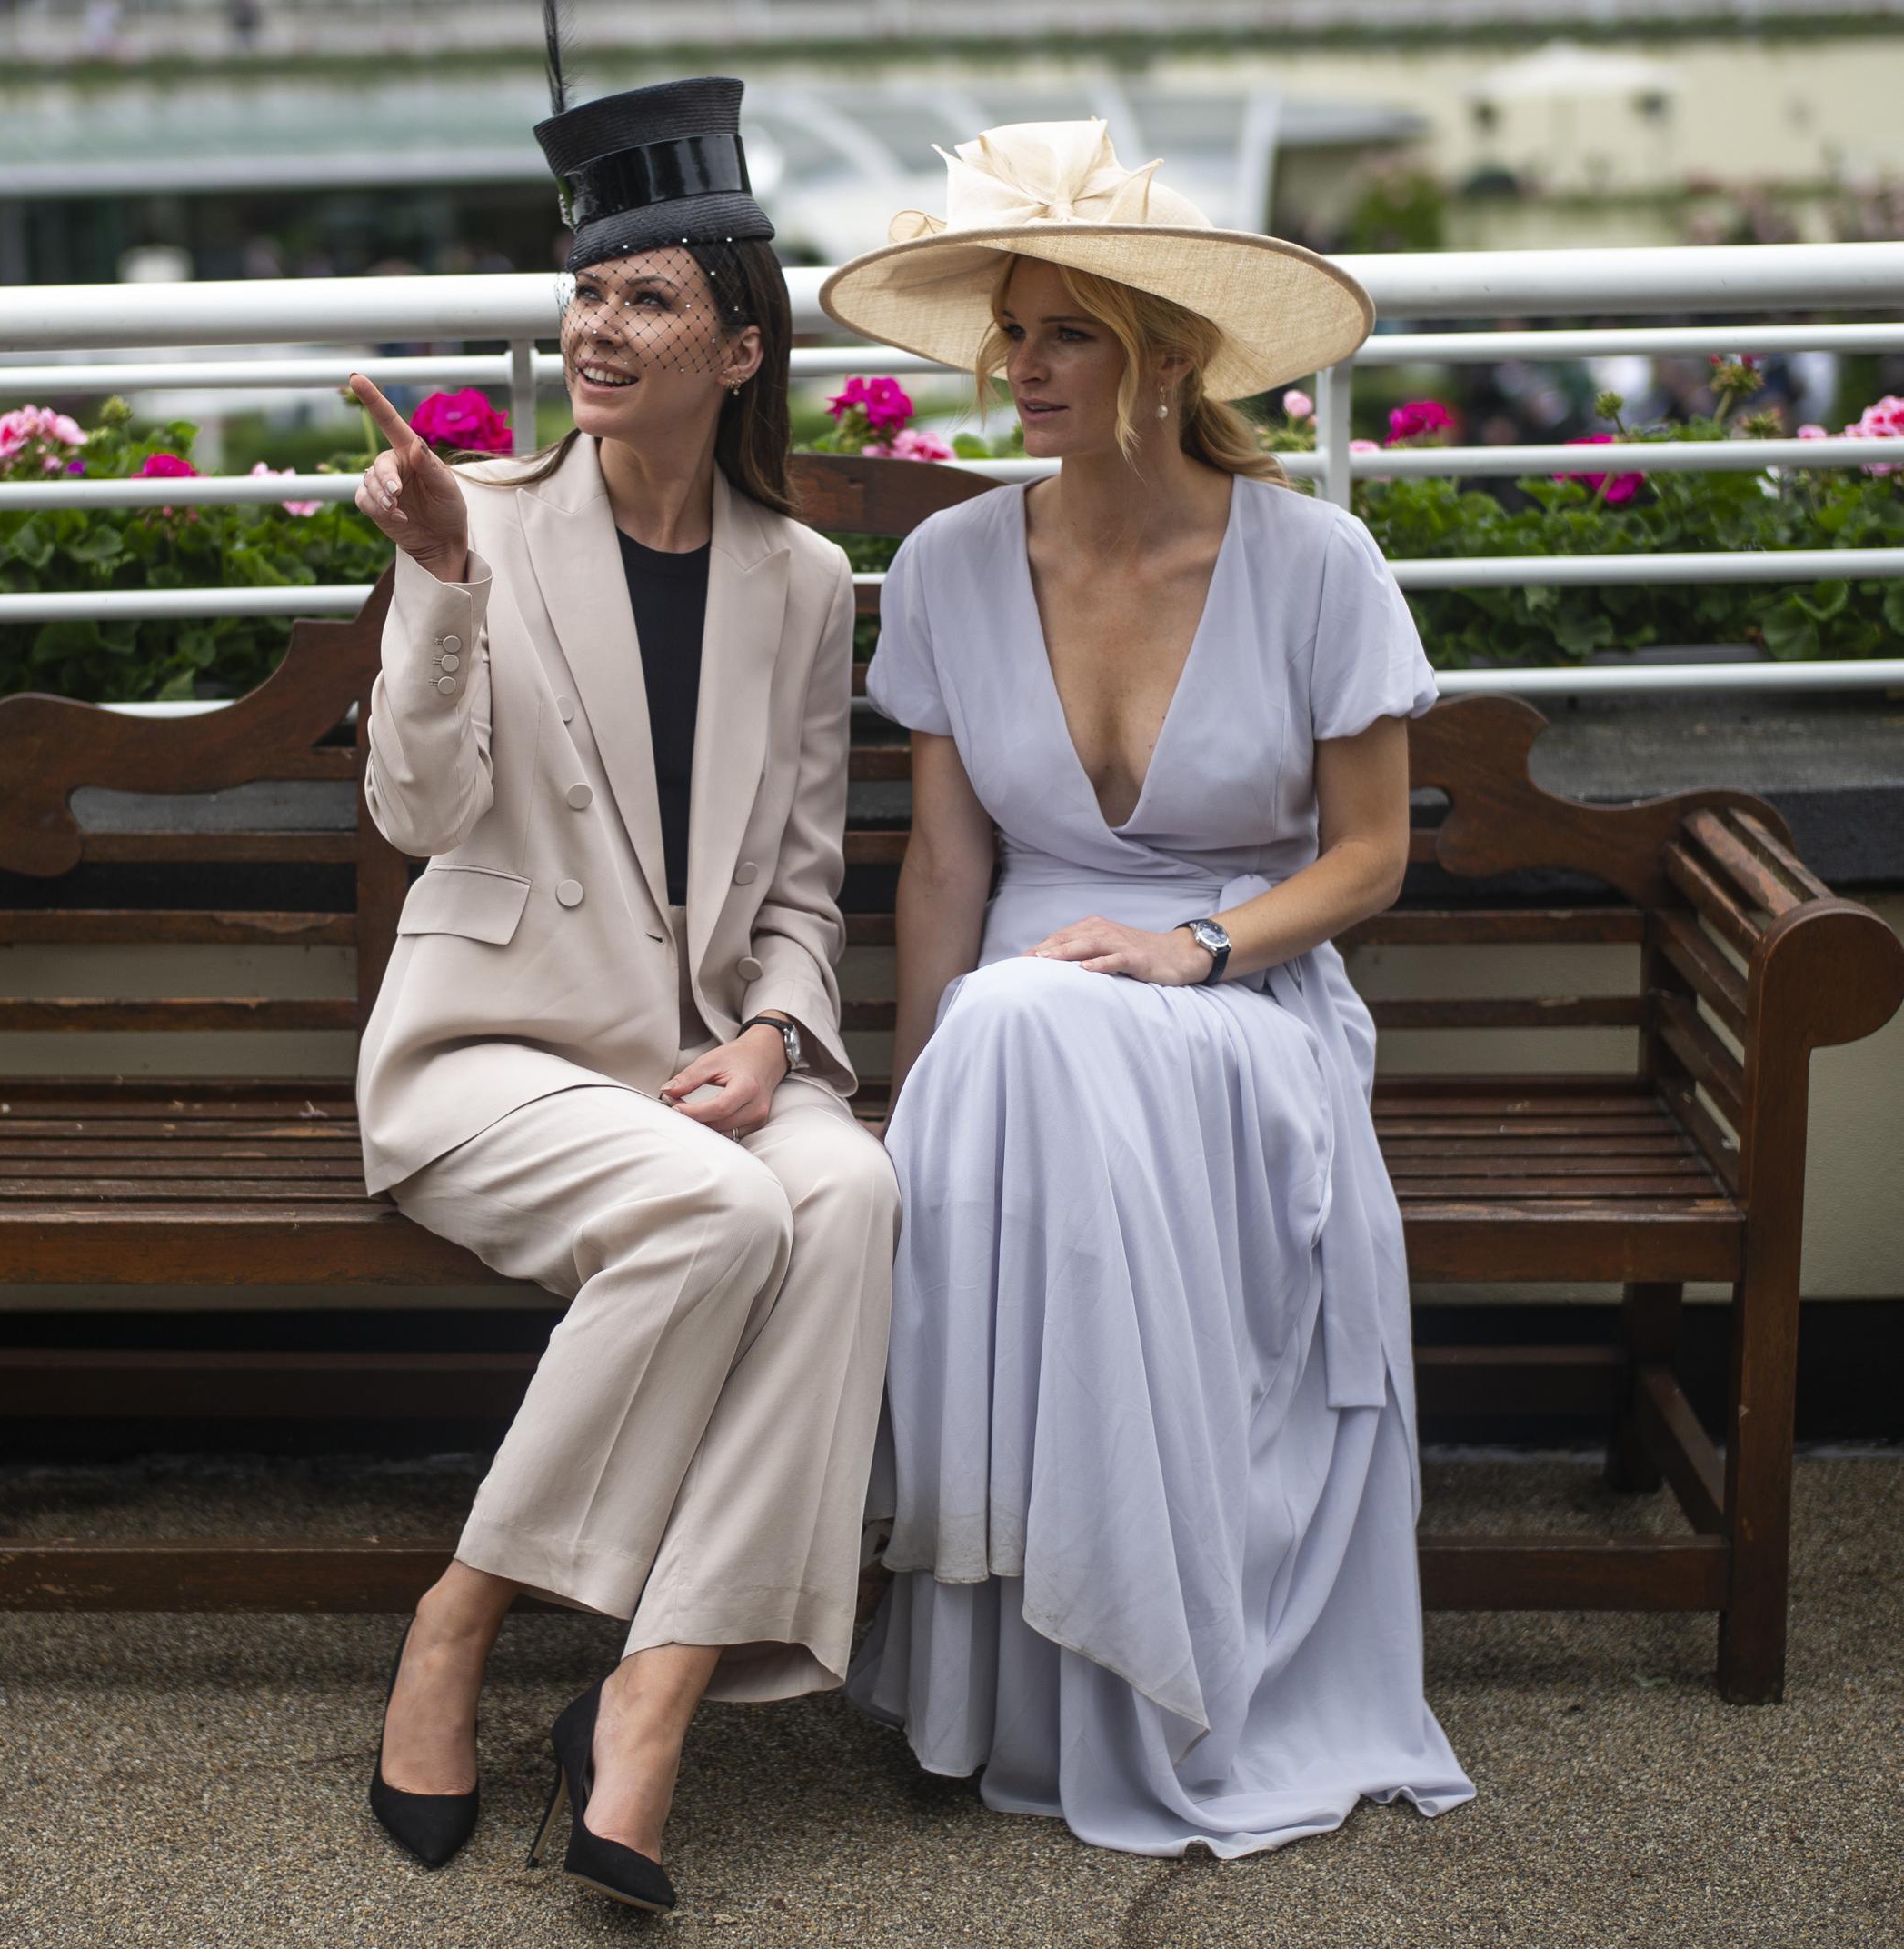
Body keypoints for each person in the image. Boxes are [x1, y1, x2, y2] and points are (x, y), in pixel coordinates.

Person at [819, 119, 1476, 1855]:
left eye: (1068, 334)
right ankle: (1052, 1658)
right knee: (1011, 1027)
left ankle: (1115, 1657)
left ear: (1169, 357)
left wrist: (1187, 949)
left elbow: (1368, 861)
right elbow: (945, 866)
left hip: (1242, 1006)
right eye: (1011, 333)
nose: (1019, 368)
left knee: (1033, 1018)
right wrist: (903, 1103)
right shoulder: (957, 565)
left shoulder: (1315, 561)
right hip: (1014, 1043)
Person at [350, 71, 896, 1915]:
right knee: (722, 1208)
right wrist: (431, 584)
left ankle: (649, 1695)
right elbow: (415, 809)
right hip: (488, 1057)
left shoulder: (804, 580)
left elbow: (805, 879)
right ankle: (465, 1612)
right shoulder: (479, 522)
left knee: (848, 1192)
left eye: (647, 298)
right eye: (585, 295)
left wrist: (768, 1036)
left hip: (701, 1064)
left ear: (740, 348)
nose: (597, 328)